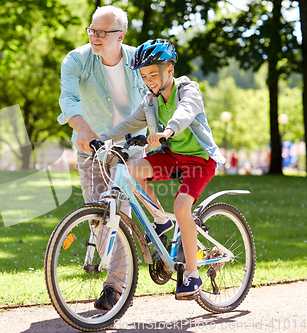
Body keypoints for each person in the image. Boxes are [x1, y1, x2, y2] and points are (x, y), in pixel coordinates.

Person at [100, 39, 226, 298]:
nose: (149, 80)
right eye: (144, 76)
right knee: (131, 169)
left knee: (181, 207)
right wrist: (102, 139)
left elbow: (186, 111)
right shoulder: (150, 101)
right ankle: (159, 220)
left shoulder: (188, 89)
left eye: (154, 74)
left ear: (170, 69)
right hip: (172, 156)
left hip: (199, 160)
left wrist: (168, 130)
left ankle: (192, 276)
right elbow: (129, 124)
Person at [57, 5, 147, 310]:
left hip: (130, 148)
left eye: (102, 32)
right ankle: (125, 278)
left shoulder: (138, 60)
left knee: (123, 216)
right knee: (99, 217)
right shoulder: (77, 60)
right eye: (92, 29)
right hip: (91, 148)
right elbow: (68, 98)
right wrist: (83, 129)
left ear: (120, 35)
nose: (95, 36)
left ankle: (116, 287)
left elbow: (156, 95)